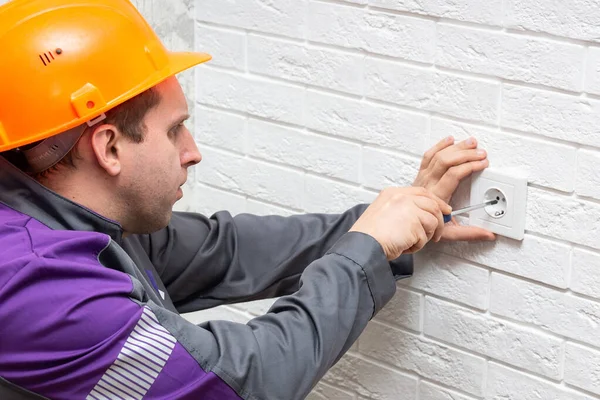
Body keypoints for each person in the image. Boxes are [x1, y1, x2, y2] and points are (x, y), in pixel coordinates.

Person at [0, 1, 494, 399]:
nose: (193, 152)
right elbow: (243, 384)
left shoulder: (64, 215)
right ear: (108, 147)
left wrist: (389, 221)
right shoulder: (39, 291)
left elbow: (225, 250)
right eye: (175, 131)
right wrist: (364, 249)